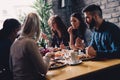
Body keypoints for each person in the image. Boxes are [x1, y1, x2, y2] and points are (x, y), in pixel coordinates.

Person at [10, 13, 55, 80]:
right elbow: (43, 70)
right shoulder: (29, 42)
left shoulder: (15, 43)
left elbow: (11, 68)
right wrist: (48, 55)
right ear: (37, 27)